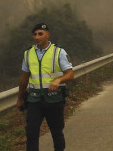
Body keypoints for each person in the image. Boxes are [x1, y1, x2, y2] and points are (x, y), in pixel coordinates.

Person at [16, 23, 74, 151]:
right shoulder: (28, 53)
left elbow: (70, 74)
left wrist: (58, 80)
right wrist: (20, 98)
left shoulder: (58, 52)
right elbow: (24, 78)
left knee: (57, 132)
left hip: (54, 99)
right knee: (31, 134)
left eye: (40, 34)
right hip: (34, 100)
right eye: (35, 34)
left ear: (48, 35)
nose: (37, 37)